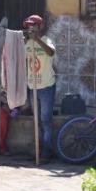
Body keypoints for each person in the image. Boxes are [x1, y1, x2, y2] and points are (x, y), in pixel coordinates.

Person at [23, 15, 56, 161]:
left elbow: (51, 52)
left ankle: (47, 151)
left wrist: (37, 40)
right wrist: (26, 40)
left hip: (46, 86)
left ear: (40, 26)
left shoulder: (47, 41)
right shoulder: (27, 43)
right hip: (33, 86)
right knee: (36, 119)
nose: (30, 28)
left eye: (33, 25)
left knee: (45, 119)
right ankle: (38, 148)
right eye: (29, 26)